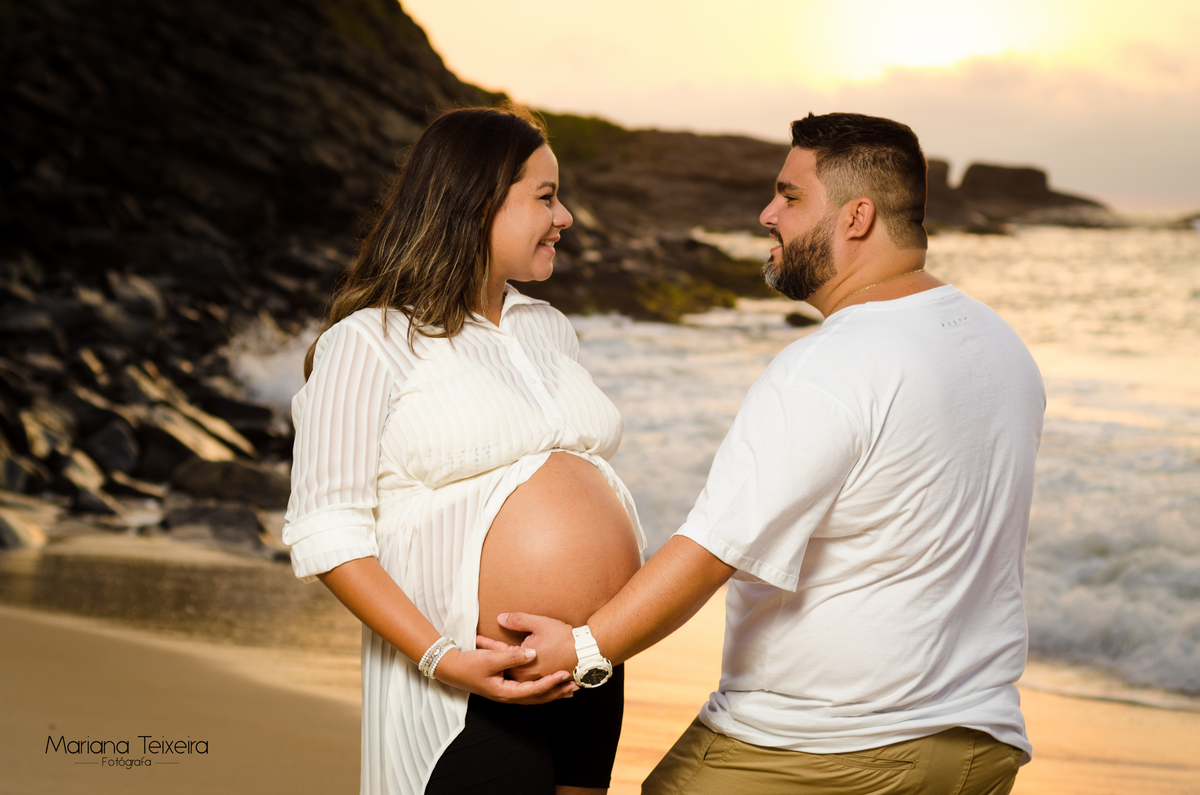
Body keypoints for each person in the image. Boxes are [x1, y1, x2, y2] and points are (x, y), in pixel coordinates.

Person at [503, 112, 1046, 795]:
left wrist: (581, 650)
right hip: (976, 751)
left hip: (817, 751)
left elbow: (710, 551)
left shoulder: (826, 367)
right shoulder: (1000, 346)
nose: (767, 214)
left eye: (790, 196)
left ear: (856, 217)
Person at [282, 105, 646, 795]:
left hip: (591, 670)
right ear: (477, 206)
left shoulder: (549, 329)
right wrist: (442, 657)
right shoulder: (369, 341)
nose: (565, 216)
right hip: (465, 684)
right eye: (545, 197)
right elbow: (326, 531)